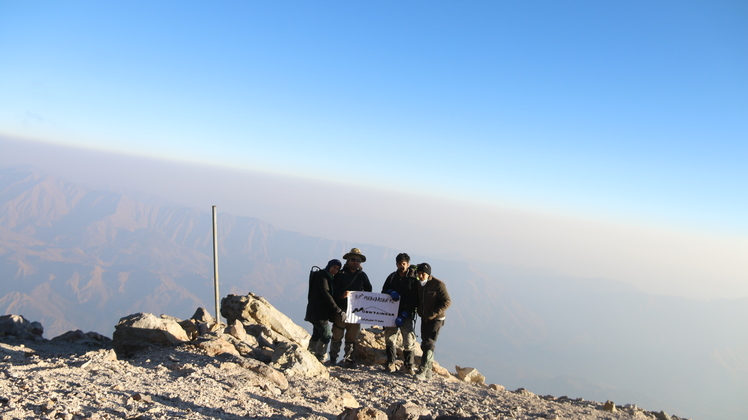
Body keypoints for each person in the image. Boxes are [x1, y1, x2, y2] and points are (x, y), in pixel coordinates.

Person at [330, 248, 372, 367]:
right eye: (353, 259)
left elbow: (369, 290)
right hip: (341, 309)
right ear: (348, 260)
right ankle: (333, 358)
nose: (355, 262)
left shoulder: (362, 276)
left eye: (358, 260)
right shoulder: (340, 274)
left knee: (352, 337)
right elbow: (333, 290)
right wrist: (341, 295)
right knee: (337, 335)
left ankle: (349, 359)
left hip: (355, 313)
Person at [380, 252, 418, 373]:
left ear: (408, 264)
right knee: (390, 339)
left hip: (406, 315)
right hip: (391, 314)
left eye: (404, 264)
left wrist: (406, 313)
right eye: (399, 264)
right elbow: (383, 291)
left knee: (408, 341)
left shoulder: (413, 279)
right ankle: (390, 363)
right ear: (396, 264)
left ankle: (408, 365)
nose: (402, 266)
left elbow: (415, 298)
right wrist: (390, 291)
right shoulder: (392, 277)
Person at [414, 262, 451, 380]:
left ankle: (423, 370)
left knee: (430, 342)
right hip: (424, 318)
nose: (420, 276)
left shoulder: (438, 284)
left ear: (428, 274)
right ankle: (429, 369)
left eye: (423, 274)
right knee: (424, 342)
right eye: (419, 273)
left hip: (436, 319)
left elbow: (447, 301)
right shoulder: (419, 284)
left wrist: (434, 313)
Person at [304, 259, 346, 362]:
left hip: (317, 312)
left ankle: (310, 354)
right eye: (334, 267)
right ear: (329, 266)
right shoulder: (322, 276)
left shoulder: (328, 277)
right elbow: (326, 294)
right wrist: (338, 310)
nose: (335, 270)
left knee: (317, 334)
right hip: (318, 312)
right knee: (326, 335)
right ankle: (320, 356)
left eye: (337, 269)